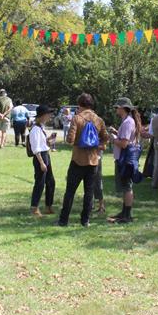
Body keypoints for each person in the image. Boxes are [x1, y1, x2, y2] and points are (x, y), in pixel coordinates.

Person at [57, 93, 108, 228]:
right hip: (93, 161)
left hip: (78, 160)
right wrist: (97, 146)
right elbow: (105, 138)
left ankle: (63, 220)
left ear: (79, 105)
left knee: (70, 191)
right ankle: (85, 220)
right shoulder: (99, 120)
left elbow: (70, 140)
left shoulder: (76, 118)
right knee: (89, 192)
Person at [108, 97, 142, 224]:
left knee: (127, 187)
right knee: (125, 186)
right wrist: (116, 132)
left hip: (125, 159)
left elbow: (124, 143)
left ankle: (127, 216)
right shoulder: (127, 121)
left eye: (117, 107)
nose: (116, 109)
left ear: (123, 108)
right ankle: (124, 212)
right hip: (123, 158)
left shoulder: (128, 122)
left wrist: (112, 139)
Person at [28, 105, 55, 216]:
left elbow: (41, 143)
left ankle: (48, 206)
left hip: (45, 155)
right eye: (48, 114)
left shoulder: (41, 127)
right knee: (40, 183)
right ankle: (34, 208)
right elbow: (35, 148)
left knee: (51, 182)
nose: (49, 117)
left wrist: (48, 140)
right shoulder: (35, 129)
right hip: (40, 157)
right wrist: (42, 163)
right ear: (42, 115)